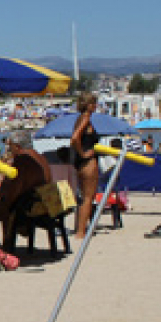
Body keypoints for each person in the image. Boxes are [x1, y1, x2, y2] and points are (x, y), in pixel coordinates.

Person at [0, 130, 53, 244]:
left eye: (10, 146)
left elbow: (11, 193)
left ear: (17, 146)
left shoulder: (22, 161)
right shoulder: (41, 158)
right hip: (41, 204)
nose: (9, 149)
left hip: (24, 208)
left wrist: (1, 193)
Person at [70, 92, 101, 239]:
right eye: (94, 103)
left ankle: (81, 229)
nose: (96, 106)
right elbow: (75, 138)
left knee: (83, 197)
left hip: (79, 162)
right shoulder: (86, 118)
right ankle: (81, 232)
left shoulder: (79, 119)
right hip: (88, 161)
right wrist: (83, 153)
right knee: (88, 197)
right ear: (88, 105)